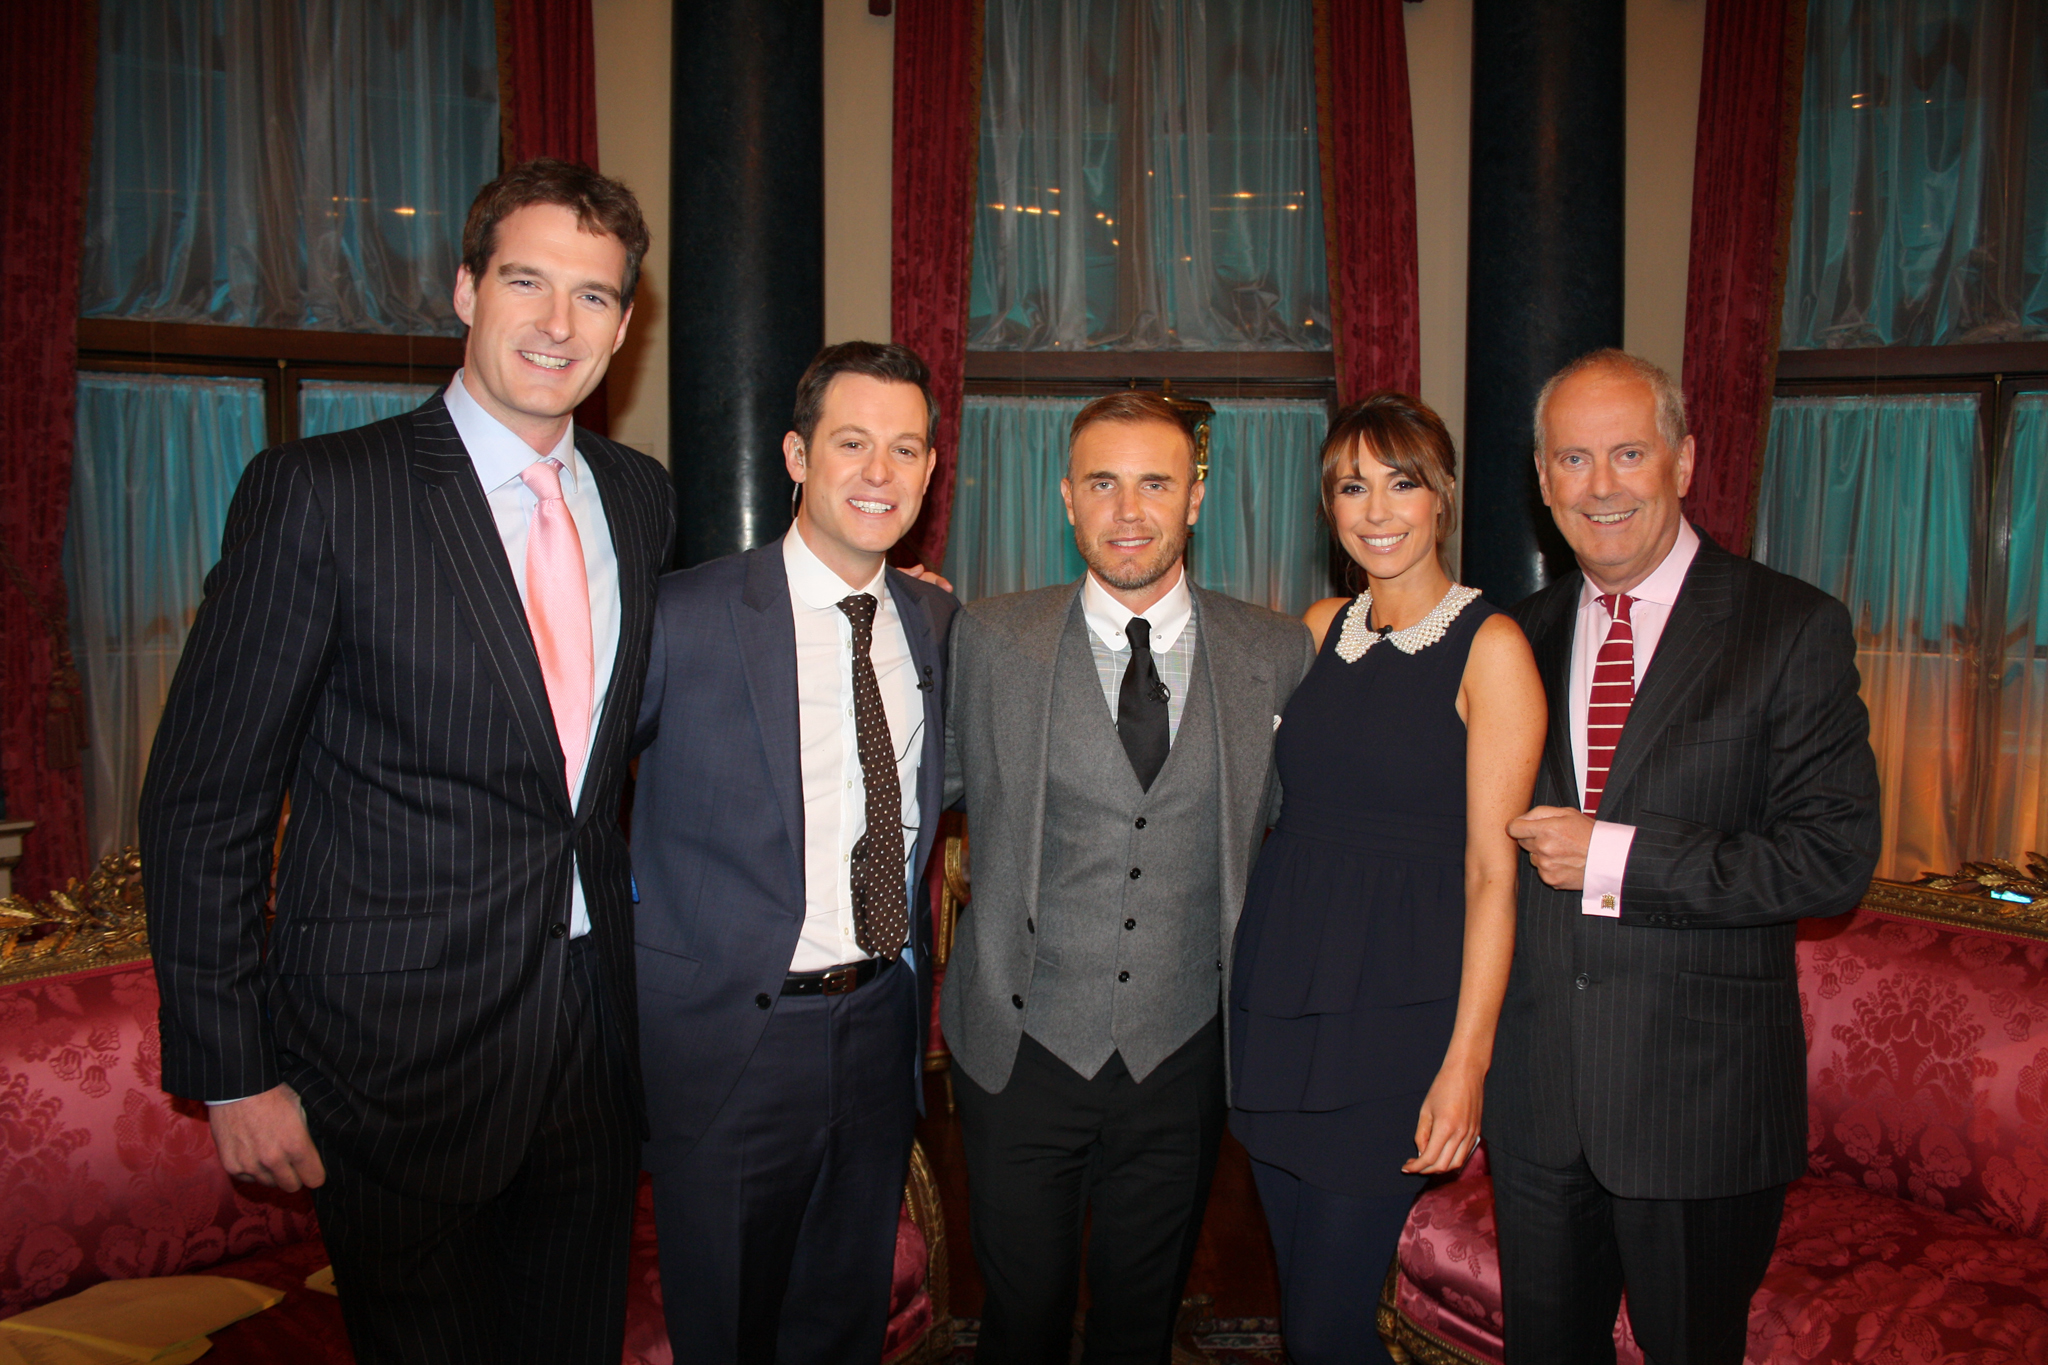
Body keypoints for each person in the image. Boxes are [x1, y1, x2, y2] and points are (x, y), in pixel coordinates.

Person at [139, 160, 670, 1364]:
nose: (555, 323)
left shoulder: (638, 500)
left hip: (589, 1047)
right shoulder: (323, 494)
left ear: (624, 325)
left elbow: (617, 736)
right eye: (525, 281)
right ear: (465, 290)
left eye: (592, 296)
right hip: (393, 1058)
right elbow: (204, 799)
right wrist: (231, 1071)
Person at [1491, 349, 1881, 1365]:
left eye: (1627, 452)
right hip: (1536, 1104)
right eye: (1572, 460)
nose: (1600, 485)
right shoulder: (1508, 640)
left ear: (1684, 460)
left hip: (1696, 1112)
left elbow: (1828, 860)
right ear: (1540, 481)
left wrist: (1612, 855)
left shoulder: (1787, 627)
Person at [942, 390, 1316, 1365]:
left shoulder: (1275, 652)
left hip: (1182, 1053)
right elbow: (907, 781)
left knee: (1138, 1327)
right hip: (1020, 1049)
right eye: (1102, 483)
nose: (1128, 510)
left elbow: (1316, 828)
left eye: (1156, 482)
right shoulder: (989, 639)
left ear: (1195, 497)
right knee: (1017, 1323)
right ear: (1066, 498)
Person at [629, 341, 958, 1362]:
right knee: (725, 1327)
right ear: (794, 455)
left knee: (839, 1323)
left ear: (929, 473)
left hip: (876, 1027)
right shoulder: (682, 615)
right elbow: (569, 807)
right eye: (851, 443)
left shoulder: (935, 619)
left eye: (904, 450)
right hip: (728, 1044)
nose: (878, 473)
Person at [1228, 394, 1545, 1363]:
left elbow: (1494, 875)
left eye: (1399, 482)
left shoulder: (1491, 648)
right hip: (1280, 995)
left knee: (1326, 1331)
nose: (1375, 509)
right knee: (1304, 1318)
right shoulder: (1317, 627)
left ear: (1440, 494)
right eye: (1350, 486)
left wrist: (1465, 1067)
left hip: (1395, 1018)